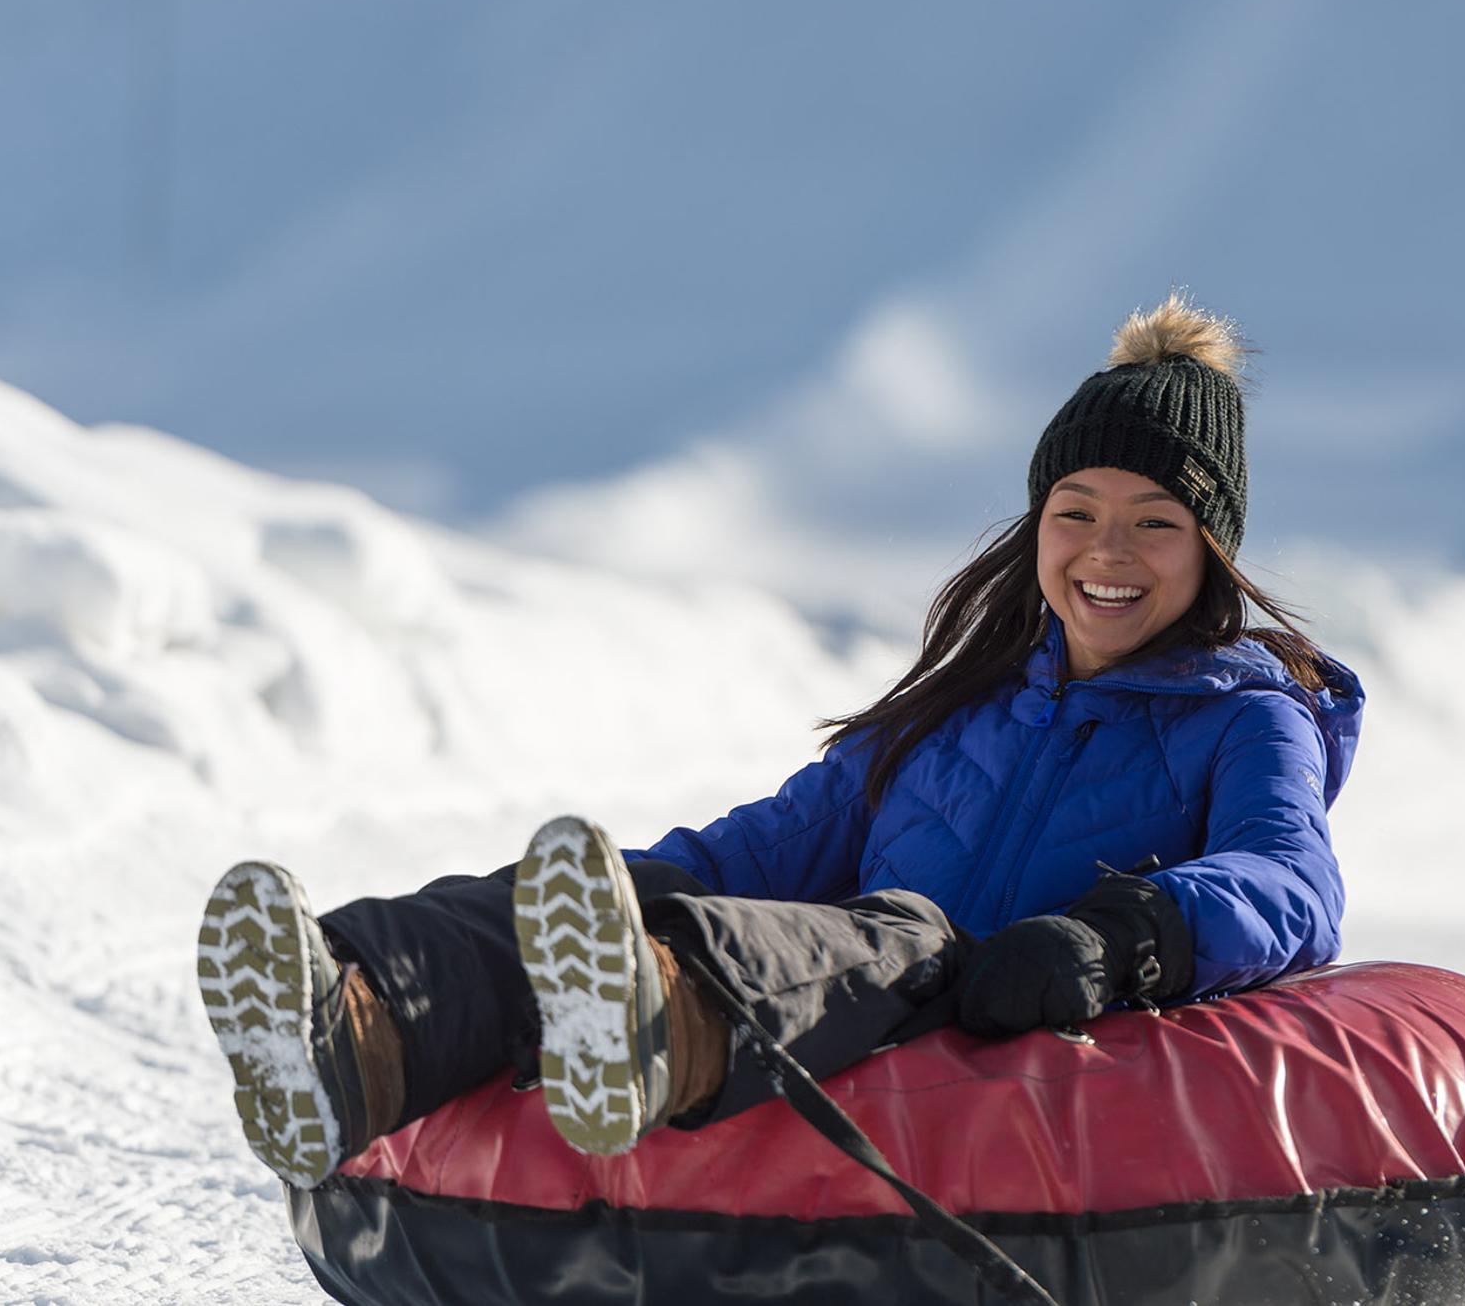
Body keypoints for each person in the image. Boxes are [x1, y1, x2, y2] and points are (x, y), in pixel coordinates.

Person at [197, 293, 1364, 1191]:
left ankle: (656, 1027)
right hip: (853, 985)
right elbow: (787, 837)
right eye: (1077, 515)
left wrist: (1124, 936)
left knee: (901, 932)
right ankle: (357, 1021)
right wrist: (643, 889)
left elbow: (1290, 879)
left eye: (1155, 523)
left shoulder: (1247, 714)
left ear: (1213, 549)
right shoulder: (966, 701)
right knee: (640, 892)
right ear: (1036, 528)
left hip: (997, 1013)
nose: (1108, 553)